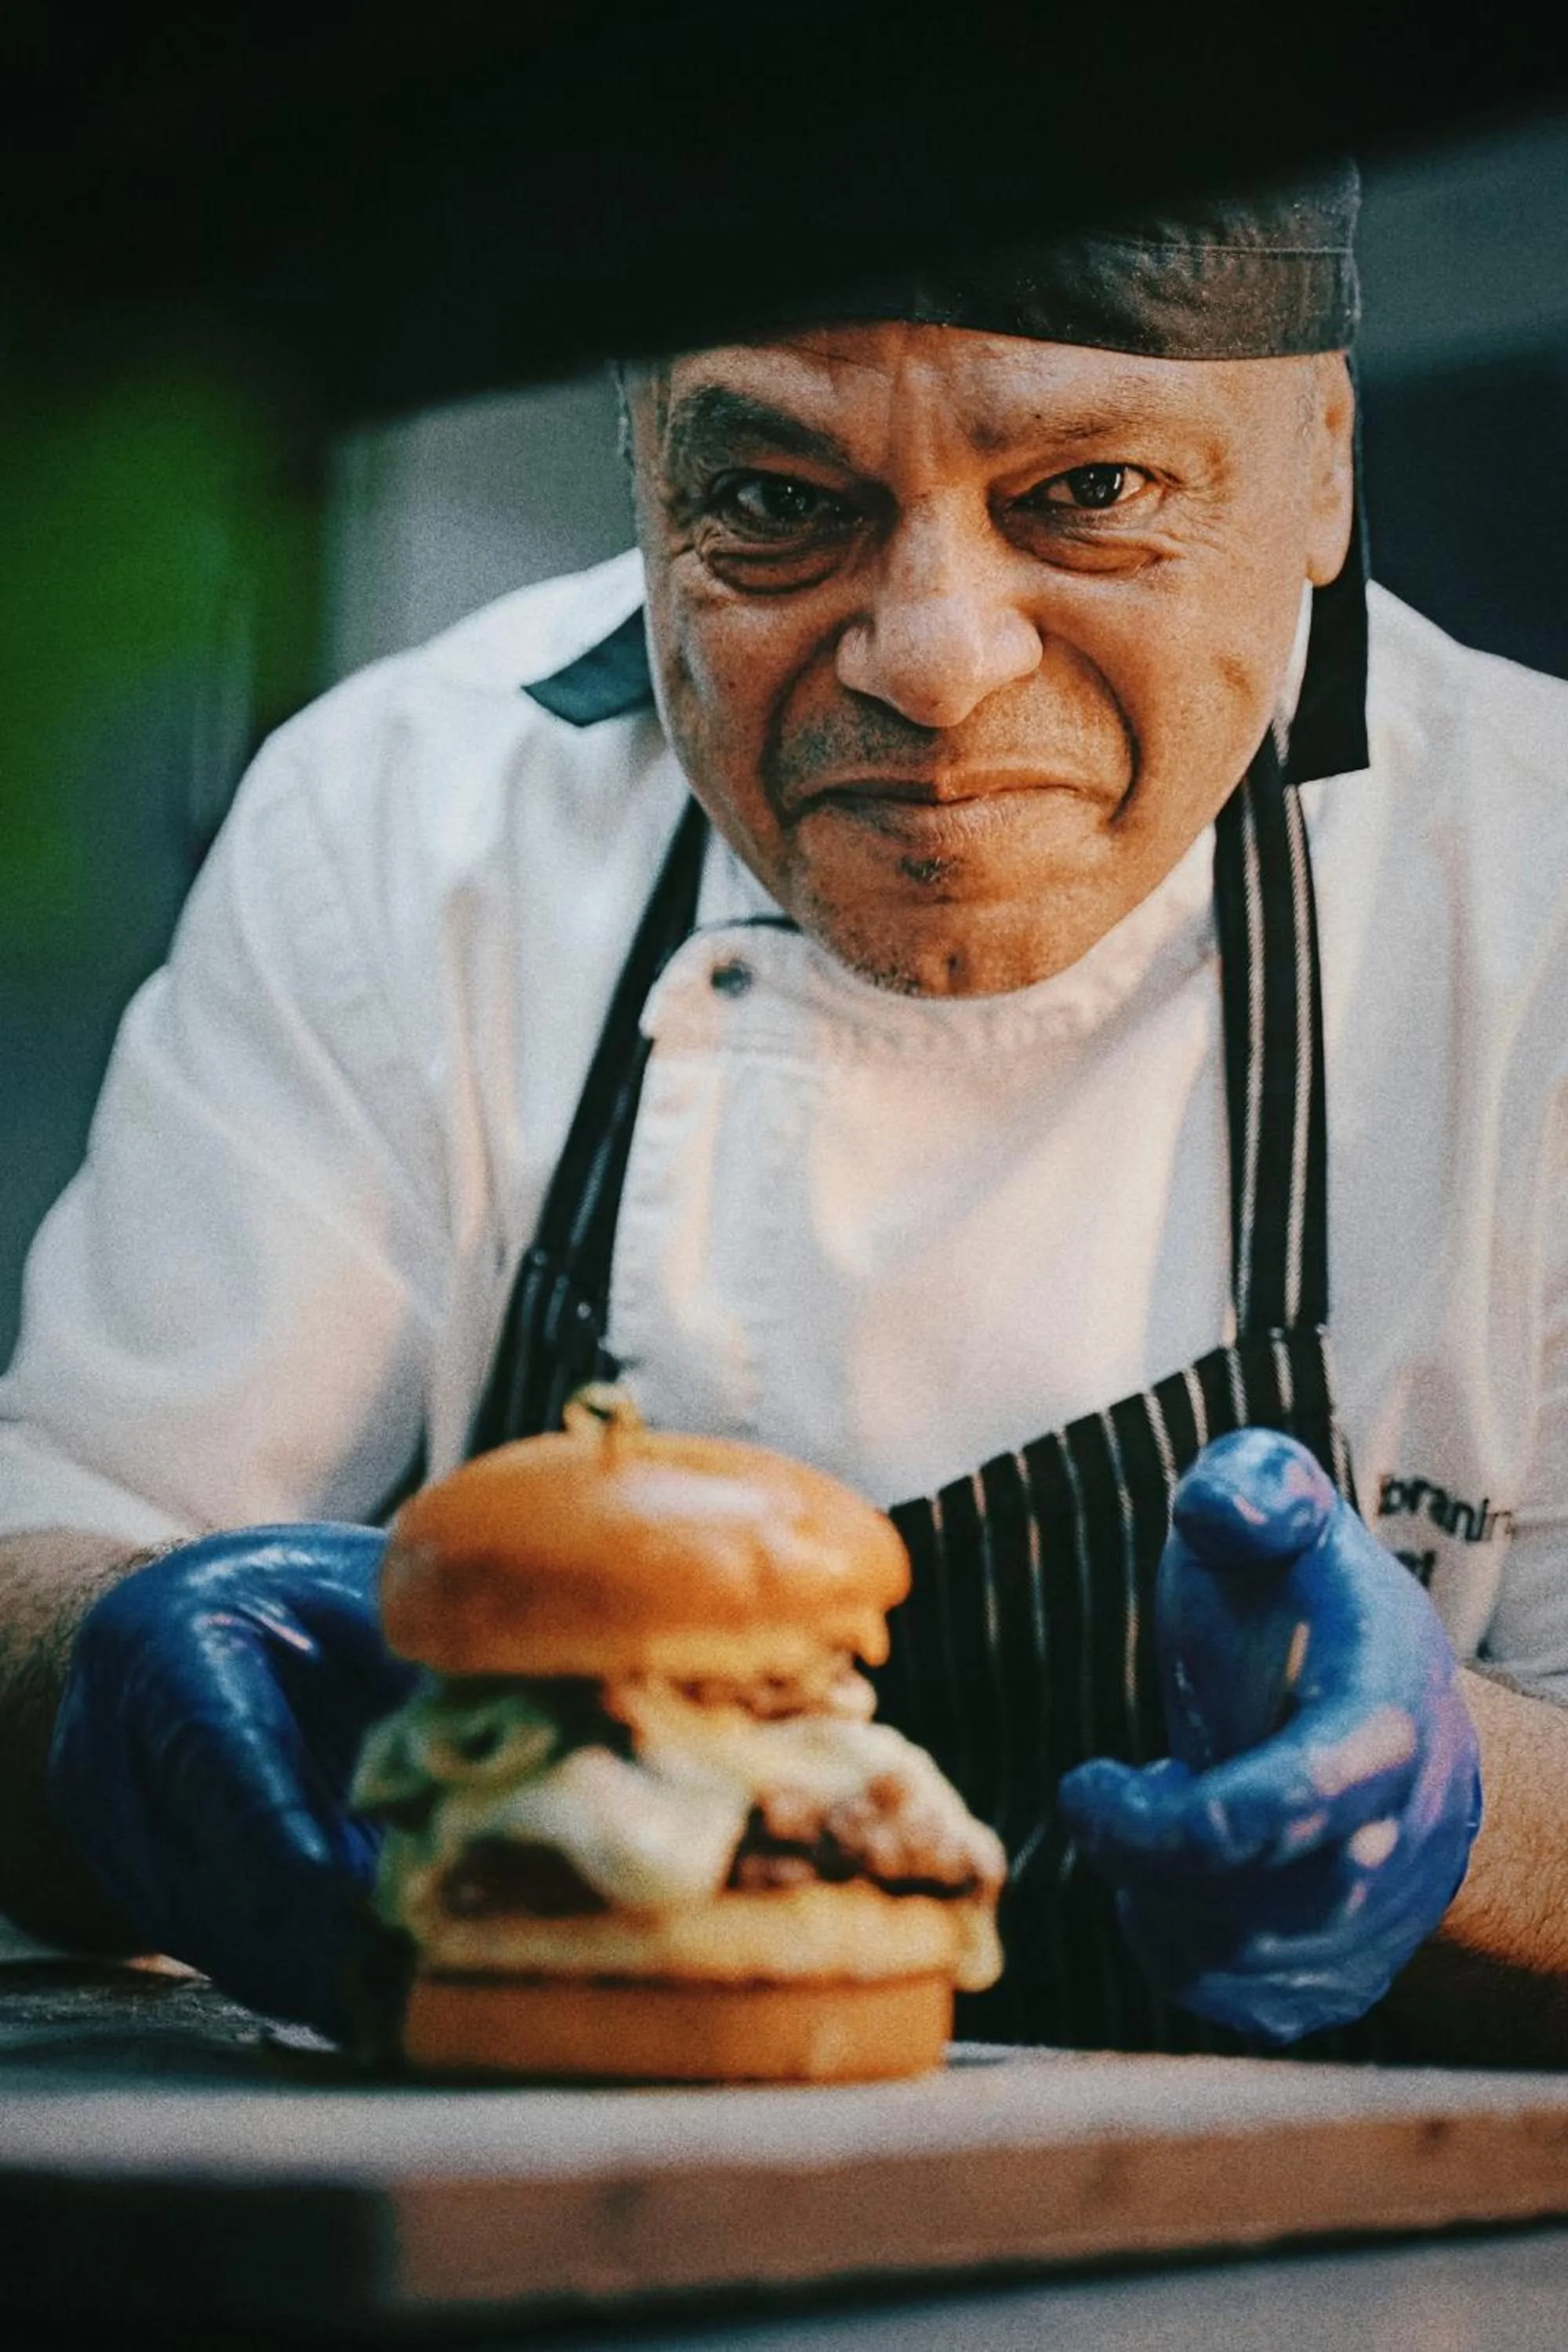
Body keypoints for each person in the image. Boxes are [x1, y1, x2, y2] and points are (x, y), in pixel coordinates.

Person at [2, 165, 1563, 2061]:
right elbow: (66, 1525)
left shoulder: (1537, 889)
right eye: (772, 507)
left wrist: (1463, 1806)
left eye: (1087, 494)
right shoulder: (400, 829)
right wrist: (96, 1678)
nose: (933, 659)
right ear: (646, 475)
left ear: (1319, 464)